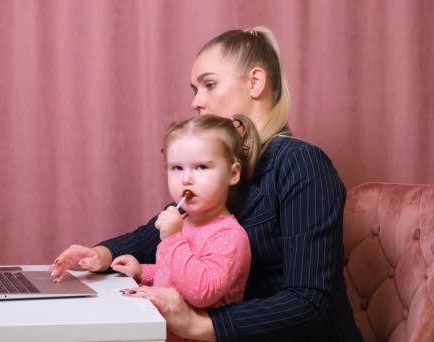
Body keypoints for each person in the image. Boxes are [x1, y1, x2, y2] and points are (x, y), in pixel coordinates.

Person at [50, 26, 363, 341]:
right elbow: (158, 232)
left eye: (209, 85)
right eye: (194, 90)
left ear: (255, 82)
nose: (197, 102)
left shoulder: (300, 163)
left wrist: (199, 325)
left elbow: (309, 301)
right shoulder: (219, 165)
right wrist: (101, 254)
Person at [113, 114, 257, 342]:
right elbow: (173, 272)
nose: (186, 179)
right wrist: (142, 271)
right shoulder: (185, 222)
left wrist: (172, 239)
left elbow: (202, 292)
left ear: (233, 173)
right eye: (177, 168)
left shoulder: (229, 236)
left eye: (201, 167)